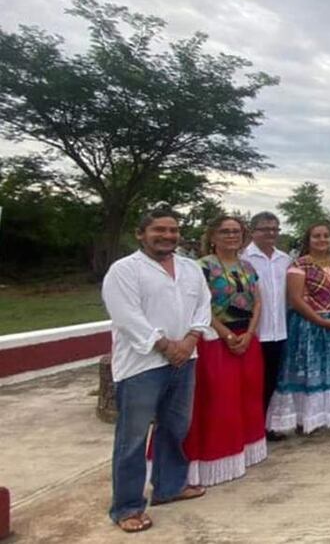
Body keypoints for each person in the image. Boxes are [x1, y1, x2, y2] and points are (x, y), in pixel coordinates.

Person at [102, 208, 210, 533]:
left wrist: (190, 340)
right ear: (141, 234)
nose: (167, 236)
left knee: (175, 427)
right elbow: (126, 316)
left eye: (173, 230)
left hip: (185, 360)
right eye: (159, 230)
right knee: (133, 438)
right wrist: (165, 346)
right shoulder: (124, 270)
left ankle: (169, 487)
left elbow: (203, 306)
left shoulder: (190, 268)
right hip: (142, 365)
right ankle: (127, 506)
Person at [185, 216, 267, 486]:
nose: (232, 236)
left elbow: (257, 302)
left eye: (236, 231)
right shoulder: (201, 267)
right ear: (213, 236)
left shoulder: (247, 266)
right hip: (216, 341)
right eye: (225, 231)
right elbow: (200, 307)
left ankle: (243, 452)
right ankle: (214, 459)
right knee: (219, 401)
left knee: (246, 397)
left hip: (247, 338)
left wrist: (249, 333)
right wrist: (227, 334)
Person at [266, 223, 330, 435]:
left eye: (326, 236)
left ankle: (322, 416)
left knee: (328, 370)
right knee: (307, 372)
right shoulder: (299, 265)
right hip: (307, 327)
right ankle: (303, 419)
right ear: (308, 240)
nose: (322, 240)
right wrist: (320, 321)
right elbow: (295, 300)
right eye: (316, 236)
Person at [242, 211, 292, 441]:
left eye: (275, 229)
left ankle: (263, 427)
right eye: (265, 229)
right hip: (253, 333)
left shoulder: (285, 260)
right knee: (250, 384)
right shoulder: (244, 259)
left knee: (271, 381)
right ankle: (247, 430)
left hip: (279, 332)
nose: (271, 233)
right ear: (253, 232)